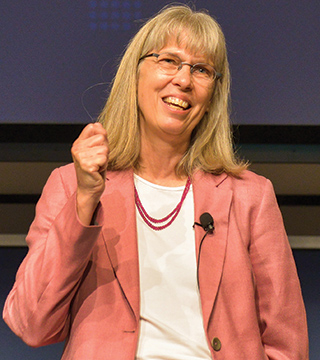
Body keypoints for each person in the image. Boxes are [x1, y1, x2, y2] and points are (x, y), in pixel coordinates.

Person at [3, 5, 308, 360]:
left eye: (201, 70)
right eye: (168, 61)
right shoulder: (71, 185)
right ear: (135, 74)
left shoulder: (251, 197)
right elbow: (31, 323)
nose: (183, 80)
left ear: (212, 97)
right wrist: (85, 199)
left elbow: (288, 344)